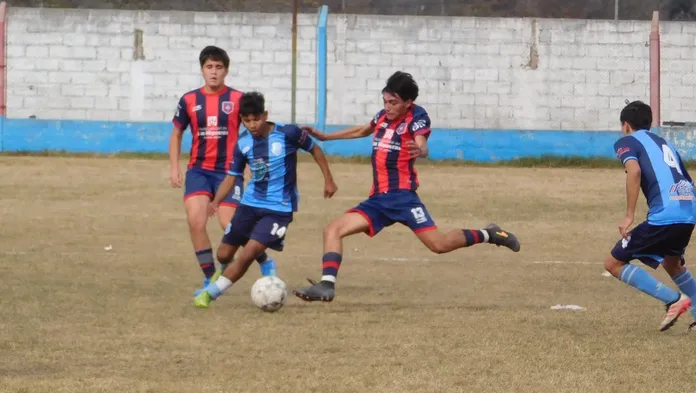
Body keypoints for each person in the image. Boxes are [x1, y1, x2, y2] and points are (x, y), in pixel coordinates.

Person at [294, 71, 520, 303]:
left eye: (393, 103)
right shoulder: (383, 116)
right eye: (385, 101)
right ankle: (326, 286)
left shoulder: (417, 117)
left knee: (439, 245)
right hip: (378, 200)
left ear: (408, 102)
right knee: (332, 230)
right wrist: (325, 136)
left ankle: (491, 234)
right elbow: (363, 130)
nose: (388, 107)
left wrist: (421, 150)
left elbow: (421, 143)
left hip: (404, 199)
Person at [194, 92, 337, 308]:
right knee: (223, 254)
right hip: (249, 205)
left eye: (256, 119)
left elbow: (315, 149)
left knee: (249, 252)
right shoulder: (243, 142)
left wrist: (328, 179)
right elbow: (233, 176)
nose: (252, 124)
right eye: (246, 120)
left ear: (265, 114)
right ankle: (221, 275)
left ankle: (210, 294)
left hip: (279, 208)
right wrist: (215, 202)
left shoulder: (288, 133)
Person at [170, 45, 276, 294]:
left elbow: (257, 128)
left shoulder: (238, 100)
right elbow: (176, 133)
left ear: (226, 71)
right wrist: (174, 167)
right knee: (196, 220)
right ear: (202, 70)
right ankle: (210, 278)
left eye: (219, 67)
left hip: (229, 172)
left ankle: (264, 260)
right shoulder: (189, 100)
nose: (214, 72)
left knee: (229, 223)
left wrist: (258, 161)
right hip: (198, 171)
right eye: (209, 67)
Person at [603, 100, 696, 331]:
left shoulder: (626, 142)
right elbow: (688, 181)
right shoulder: (666, 144)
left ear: (626, 125)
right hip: (688, 211)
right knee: (672, 263)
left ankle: (673, 300)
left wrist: (629, 216)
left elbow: (634, 171)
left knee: (613, 263)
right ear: (650, 124)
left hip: (665, 215)